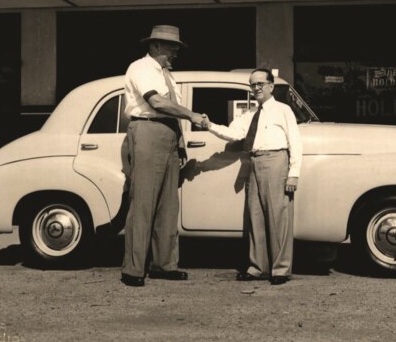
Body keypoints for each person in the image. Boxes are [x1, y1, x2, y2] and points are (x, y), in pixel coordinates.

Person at [121, 25, 206, 287]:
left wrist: (180, 143)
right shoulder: (141, 68)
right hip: (147, 130)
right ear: (155, 45)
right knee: (144, 203)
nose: (175, 53)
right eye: (171, 47)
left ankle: (165, 264)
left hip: (169, 135)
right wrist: (191, 115)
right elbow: (156, 103)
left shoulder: (168, 75)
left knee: (168, 205)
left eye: (177, 48)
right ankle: (133, 269)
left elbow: (171, 111)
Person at [203, 68, 302, 285]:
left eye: (259, 84)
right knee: (255, 216)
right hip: (254, 161)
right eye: (252, 85)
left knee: (278, 216)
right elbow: (233, 133)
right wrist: (209, 125)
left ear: (270, 86)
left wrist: (293, 174)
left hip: (276, 160)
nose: (255, 88)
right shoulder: (248, 115)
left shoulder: (283, 110)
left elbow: (295, 141)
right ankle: (258, 267)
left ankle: (281, 269)